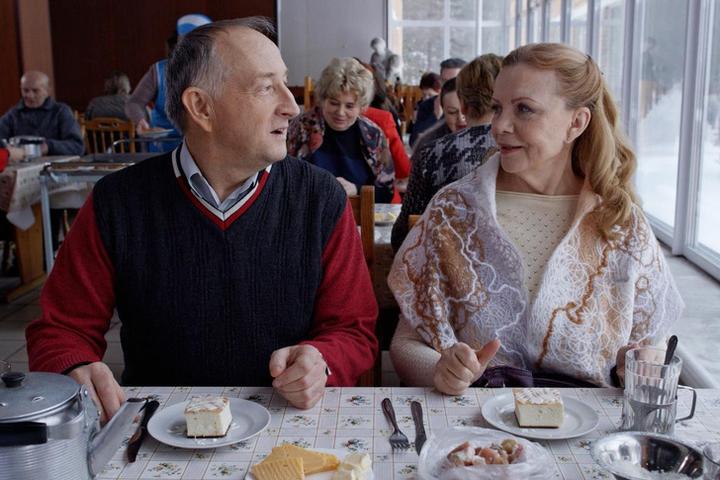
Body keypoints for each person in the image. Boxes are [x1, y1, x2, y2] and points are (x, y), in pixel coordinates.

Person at [26, 17, 378, 419]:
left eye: (284, 83)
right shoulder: (118, 202)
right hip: (161, 428)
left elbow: (354, 330)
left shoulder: (319, 199)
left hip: (287, 423)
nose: (291, 106)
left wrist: (323, 360)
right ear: (201, 107)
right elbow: (59, 330)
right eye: (266, 87)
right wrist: (73, 366)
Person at [388, 43, 683, 395]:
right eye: (497, 108)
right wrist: (439, 369)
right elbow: (405, 343)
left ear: (576, 123)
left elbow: (655, 345)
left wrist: (639, 364)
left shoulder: (619, 221)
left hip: (587, 425)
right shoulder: (453, 211)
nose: (499, 126)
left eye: (524, 109)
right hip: (476, 423)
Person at [391, 54, 502, 251]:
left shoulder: (433, 154)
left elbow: (403, 234)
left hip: (446, 262)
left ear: (463, 104)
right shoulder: (522, 152)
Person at [287, 57, 396, 203]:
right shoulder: (301, 127)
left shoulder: (373, 135)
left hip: (358, 215)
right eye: (334, 103)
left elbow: (387, 191)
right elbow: (283, 180)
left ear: (361, 107)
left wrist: (357, 190)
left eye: (349, 106)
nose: (340, 112)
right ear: (322, 100)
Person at [125, 13, 211, 149]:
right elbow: (134, 103)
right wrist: (141, 121)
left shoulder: (216, 72)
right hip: (164, 147)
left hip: (203, 147)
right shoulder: (159, 71)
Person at [0, 71, 84, 158]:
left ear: (47, 91)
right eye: (25, 90)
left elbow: (77, 147)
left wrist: (48, 147)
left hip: (56, 163)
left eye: (35, 91)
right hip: (22, 162)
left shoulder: (61, 111)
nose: (29, 95)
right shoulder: (13, 114)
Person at [409, 57, 466, 147]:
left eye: (454, 80)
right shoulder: (427, 105)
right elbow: (414, 142)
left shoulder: (474, 106)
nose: (449, 86)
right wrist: (435, 117)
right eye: (445, 81)